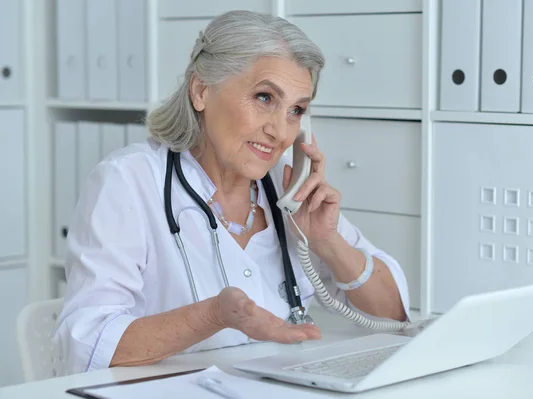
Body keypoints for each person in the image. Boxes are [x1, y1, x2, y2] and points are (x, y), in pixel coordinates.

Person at [54, 10, 411, 374]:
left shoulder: (286, 191)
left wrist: (326, 241)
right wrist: (215, 315)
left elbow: (395, 316)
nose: (280, 131)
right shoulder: (128, 182)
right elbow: (86, 344)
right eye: (264, 97)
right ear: (201, 91)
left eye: (296, 110)